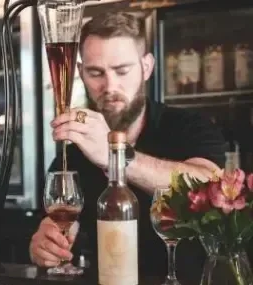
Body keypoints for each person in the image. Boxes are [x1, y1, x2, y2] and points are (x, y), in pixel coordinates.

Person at [29, 11, 227, 279]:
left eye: (122, 71)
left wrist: (115, 156)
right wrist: (46, 244)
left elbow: (209, 184)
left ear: (146, 67)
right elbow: (58, 223)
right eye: (96, 72)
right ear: (80, 73)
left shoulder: (189, 126)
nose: (110, 86)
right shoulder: (75, 151)